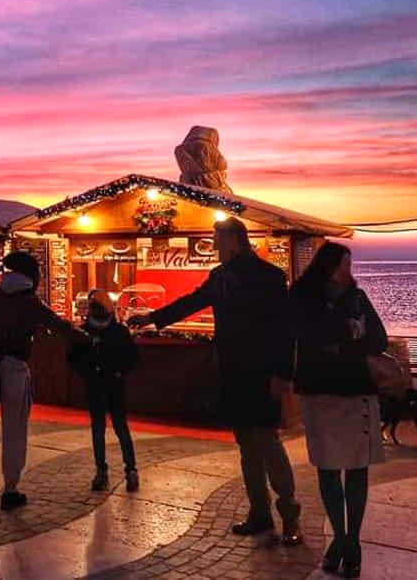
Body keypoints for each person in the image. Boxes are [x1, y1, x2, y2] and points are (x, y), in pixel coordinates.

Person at [129, 217, 302, 545]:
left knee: (266, 442)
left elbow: (284, 331)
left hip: (262, 375)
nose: (214, 247)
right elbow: (191, 302)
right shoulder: (220, 277)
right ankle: (259, 514)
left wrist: (283, 374)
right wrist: (152, 318)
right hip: (233, 373)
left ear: (235, 241)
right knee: (246, 445)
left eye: (217, 241)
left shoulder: (270, 278)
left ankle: (290, 515)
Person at [289, 242, 386, 578]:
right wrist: (346, 341)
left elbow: (379, 340)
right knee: (328, 468)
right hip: (320, 394)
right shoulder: (302, 298)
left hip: (356, 392)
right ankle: (344, 540)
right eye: (345, 265)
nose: (349, 272)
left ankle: (350, 541)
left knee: (357, 469)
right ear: (328, 267)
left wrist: (338, 345)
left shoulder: (356, 298)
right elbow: (306, 337)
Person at [0, 251, 76, 511]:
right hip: (14, 369)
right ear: (31, 276)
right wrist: (86, 335)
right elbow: (60, 327)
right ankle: (10, 489)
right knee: (14, 430)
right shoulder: (31, 303)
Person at [68, 290, 140, 492]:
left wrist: (88, 373)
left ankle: (103, 471)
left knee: (100, 429)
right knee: (119, 428)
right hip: (112, 384)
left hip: (98, 385)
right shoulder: (118, 331)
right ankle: (130, 470)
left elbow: (73, 359)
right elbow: (132, 358)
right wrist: (119, 372)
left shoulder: (84, 332)